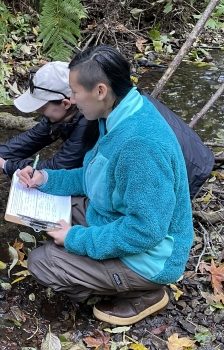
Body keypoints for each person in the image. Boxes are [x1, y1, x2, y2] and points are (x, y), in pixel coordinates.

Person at [16, 45, 194, 326]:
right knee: (49, 210)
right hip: (120, 219)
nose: (71, 99)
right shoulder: (118, 114)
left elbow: (146, 230)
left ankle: (144, 293)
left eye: (75, 92)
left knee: (42, 262)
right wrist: (46, 180)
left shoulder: (140, 146)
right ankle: (95, 267)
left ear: (100, 91)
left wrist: (76, 240)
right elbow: (95, 177)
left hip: (152, 258)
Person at [0, 61, 99, 185]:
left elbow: (58, 168)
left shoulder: (88, 122)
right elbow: (29, 140)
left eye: (42, 106)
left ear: (66, 103)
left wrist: (4, 166)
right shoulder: (65, 113)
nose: (37, 111)